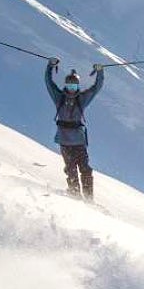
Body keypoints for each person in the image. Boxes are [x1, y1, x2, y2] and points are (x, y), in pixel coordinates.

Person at [44, 59, 105, 199]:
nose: (72, 88)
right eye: (69, 85)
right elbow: (48, 83)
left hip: (78, 142)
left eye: (74, 86)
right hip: (65, 142)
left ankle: (89, 198)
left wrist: (100, 72)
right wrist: (50, 66)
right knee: (71, 170)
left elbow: (96, 88)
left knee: (86, 170)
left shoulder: (82, 99)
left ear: (78, 86)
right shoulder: (58, 97)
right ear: (66, 85)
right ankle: (75, 194)